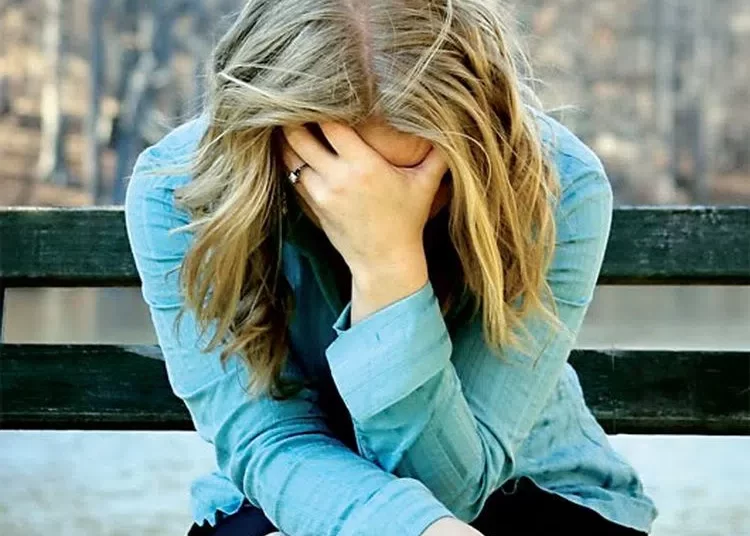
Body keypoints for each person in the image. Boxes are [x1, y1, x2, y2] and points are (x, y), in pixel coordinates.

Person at [123, 1, 658, 535]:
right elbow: (267, 443)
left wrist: (388, 266)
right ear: (274, 148)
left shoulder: (555, 185)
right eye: (342, 186)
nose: (394, 206)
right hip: (294, 492)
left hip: (527, 489)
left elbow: (453, 488)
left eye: (428, 180)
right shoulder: (181, 194)